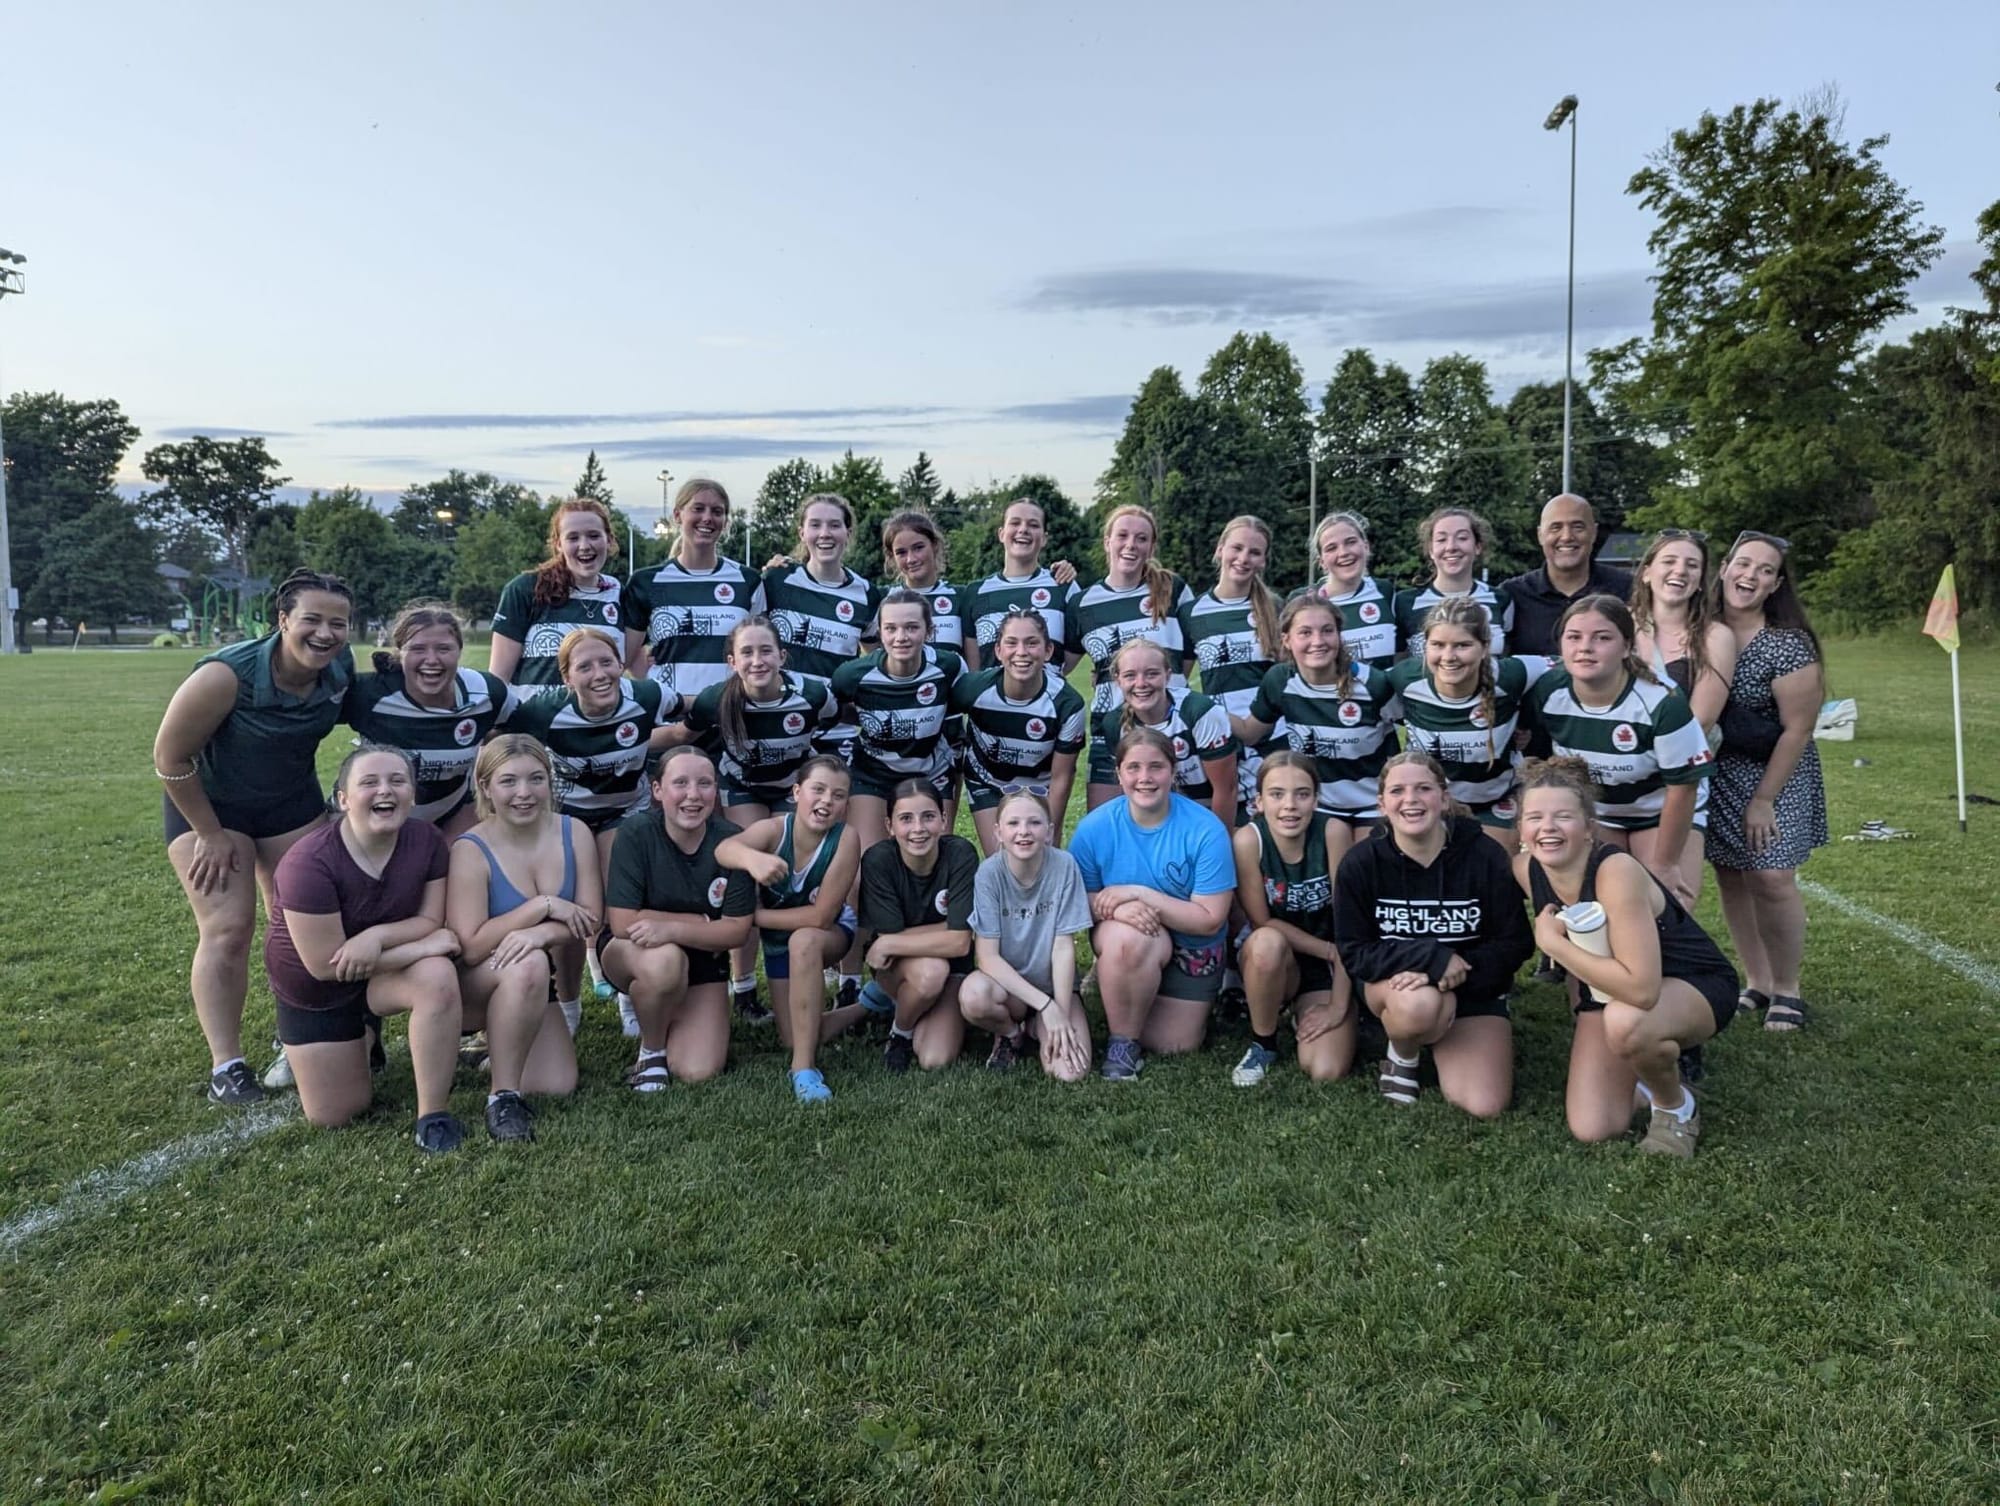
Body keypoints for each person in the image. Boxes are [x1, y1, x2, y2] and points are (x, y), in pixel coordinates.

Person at [153, 567, 357, 1105]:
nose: (325, 633)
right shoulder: (226, 676)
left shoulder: (340, 668)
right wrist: (209, 832)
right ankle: (228, 1065)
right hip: (212, 807)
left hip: (288, 804)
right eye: (311, 619)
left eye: (338, 623)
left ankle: (298, 1035)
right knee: (228, 928)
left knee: (302, 922)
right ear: (282, 619)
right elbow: (169, 758)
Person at [1515, 757, 1738, 1156]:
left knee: (1627, 1021)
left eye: (1563, 816)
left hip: (1690, 984)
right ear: (1521, 829)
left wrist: (1555, 946)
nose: (1547, 828)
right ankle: (1648, 1072)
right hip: (1607, 992)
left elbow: (1642, 990)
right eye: (1534, 817)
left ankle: (1676, 1108)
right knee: (1593, 1126)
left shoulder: (1615, 872)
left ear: (1589, 828)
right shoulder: (1527, 868)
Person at [264, 745, 466, 1151]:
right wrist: (424, 947)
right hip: (317, 988)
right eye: (368, 782)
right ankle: (361, 1034)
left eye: (397, 781)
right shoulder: (308, 861)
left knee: (437, 976)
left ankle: (433, 1115)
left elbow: (428, 921)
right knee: (336, 1113)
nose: (384, 791)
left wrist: (374, 938)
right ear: (343, 799)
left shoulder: (426, 840)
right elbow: (324, 965)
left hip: (377, 972)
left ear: (412, 794)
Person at [1334, 751, 1533, 1117]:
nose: (1410, 800)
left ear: (1444, 797)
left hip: (1473, 985)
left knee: (1483, 1105)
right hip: (1397, 989)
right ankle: (1403, 1054)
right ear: (1382, 803)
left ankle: (1436, 1028)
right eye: (1397, 791)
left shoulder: (1484, 854)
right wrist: (1432, 959)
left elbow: (1517, 943)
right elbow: (1354, 951)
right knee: (1418, 1006)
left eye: (1423, 788)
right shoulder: (1361, 862)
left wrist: (1453, 972)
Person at [507, 629, 681, 1032]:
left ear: (621, 664)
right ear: (567, 678)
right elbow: (496, 733)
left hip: (624, 810)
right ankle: (568, 1007)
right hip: (567, 816)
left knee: (622, 901)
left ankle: (628, 997)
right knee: (570, 909)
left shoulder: (646, 696)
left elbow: (693, 713)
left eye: (606, 662)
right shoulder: (544, 710)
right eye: (584, 666)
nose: (599, 673)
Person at [671, 615, 840, 1017]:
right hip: (742, 786)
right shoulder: (717, 698)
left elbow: (836, 724)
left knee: (797, 875)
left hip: (790, 788)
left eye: (766, 650)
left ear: (782, 656)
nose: (757, 660)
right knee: (747, 877)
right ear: (732, 661)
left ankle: (809, 969)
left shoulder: (813, 694)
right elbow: (681, 736)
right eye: (746, 652)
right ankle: (743, 986)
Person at [1707, 532, 1829, 1031]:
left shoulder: (1787, 644)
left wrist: (1763, 799)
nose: (1750, 576)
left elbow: (1799, 727)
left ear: (1776, 584)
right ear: (1724, 568)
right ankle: (1756, 981)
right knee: (1733, 876)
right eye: (1743, 564)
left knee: (1773, 877)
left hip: (1778, 769)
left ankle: (1787, 988)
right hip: (1720, 769)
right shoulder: (1703, 630)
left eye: (1764, 570)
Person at [444, 736, 591, 1140]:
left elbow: (589, 918)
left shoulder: (573, 832)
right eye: (508, 782)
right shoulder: (470, 849)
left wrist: (542, 931)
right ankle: (502, 1098)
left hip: (528, 981)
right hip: (474, 984)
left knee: (556, 1084)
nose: (524, 793)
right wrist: (540, 907)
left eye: (536, 779)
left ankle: (494, 1044)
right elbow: (471, 946)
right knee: (530, 961)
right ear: (486, 787)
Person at [1521, 596, 1712, 906]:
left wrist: (1664, 865)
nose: (1585, 647)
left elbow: (1683, 787)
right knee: (1599, 908)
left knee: (1665, 908)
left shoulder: (1662, 702)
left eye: (1602, 637)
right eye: (1574, 637)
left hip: (1660, 809)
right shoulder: (1548, 691)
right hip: (1600, 812)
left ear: (1627, 647)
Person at [1069, 728, 1235, 1081]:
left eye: (1156, 767)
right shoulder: (1094, 828)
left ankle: (1122, 982)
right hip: (1135, 937)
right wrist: (1114, 907)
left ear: (1173, 771)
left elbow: (1209, 919)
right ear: (1119, 774)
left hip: (1194, 945)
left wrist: (1139, 894)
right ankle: (1123, 1043)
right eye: (1133, 768)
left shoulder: (1206, 829)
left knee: (1174, 1043)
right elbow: (1071, 900)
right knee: (1130, 939)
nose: (1144, 778)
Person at [600, 750, 757, 1091]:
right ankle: (652, 1050)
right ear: (657, 790)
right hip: (635, 949)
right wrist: (702, 921)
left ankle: (665, 1006)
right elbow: (623, 920)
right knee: (665, 959)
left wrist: (671, 926)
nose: (692, 795)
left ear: (716, 790)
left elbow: (736, 930)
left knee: (697, 1069)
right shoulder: (636, 831)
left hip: (703, 955)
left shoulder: (733, 839)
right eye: (680, 783)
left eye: (704, 784)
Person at [714, 757, 867, 1103]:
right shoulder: (774, 829)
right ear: (797, 792)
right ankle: (869, 1005)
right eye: (818, 789)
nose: (827, 800)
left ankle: (804, 1069)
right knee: (795, 1034)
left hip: (826, 934)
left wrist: (754, 918)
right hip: (779, 939)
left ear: (846, 805)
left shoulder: (846, 838)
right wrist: (751, 858)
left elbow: (821, 917)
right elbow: (723, 849)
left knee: (804, 940)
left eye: (838, 795)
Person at [1232, 595, 1400, 853]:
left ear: (1339, 636)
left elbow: (1414, 727)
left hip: (1372, 804)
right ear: (1287, 640)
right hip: (1316, 806)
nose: (1317, 641)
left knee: (1360, 872)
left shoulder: (1373, 684)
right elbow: (1251, 733)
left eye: (1327, 631)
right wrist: (1199, 707)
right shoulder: (1280, 681)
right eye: (1305, 633)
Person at [1229, 753, 1352, 1088]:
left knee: (1325, 1068)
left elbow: (1349, 924)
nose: (1290, 806)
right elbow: (1262, 922)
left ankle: (1322, 1009)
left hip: (1328, 959)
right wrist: (1328, 950)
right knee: (1267, 944)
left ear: (1316, 798)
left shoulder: (1333, 832)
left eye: (1302, 793)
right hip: (1278, 957)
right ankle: (1263, 1042)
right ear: (1258, 801)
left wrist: (1339, 1006)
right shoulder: (1248, 840)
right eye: (1277, 794)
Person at [343, 600, 515, 837]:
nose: (431, 660)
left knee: (463, 869)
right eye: (418, 649)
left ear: (459, 652)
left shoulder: (488, 693)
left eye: (444, 649)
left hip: (451, 812)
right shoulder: (368, 694)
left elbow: (522, 731)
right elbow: (309, 719)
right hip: (372, 816)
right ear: (400, 653)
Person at [1630, 529, 1737, 903]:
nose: (1680, 571)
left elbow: (1700, 722)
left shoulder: (1715, 637)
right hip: (1616, 782)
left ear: (1700, 580)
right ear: (1647, 571)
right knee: (1609, 904)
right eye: (1670, 561)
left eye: (1692, 565)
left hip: (1679, 782)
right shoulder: (1618, 627)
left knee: (1674, 904)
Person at [1387, 597, 1551, 842]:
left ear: (1485, 647)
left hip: (1497, 799)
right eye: (1438, 645)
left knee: (1495, 869)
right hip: (1431, 805)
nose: (1448, 656)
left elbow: (1568, 669)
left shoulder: (1511, 675)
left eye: (1462, 645)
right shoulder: (1405, 678)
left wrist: (1526, 723)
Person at [959, 791, 1095, 1079]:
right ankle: (1011, 1033)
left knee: (1071, 1073)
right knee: (974, 996)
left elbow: (1063, 948)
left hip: (1053, 988)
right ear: (998, 832)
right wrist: (1044, 1006)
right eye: (1013, 824)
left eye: (1034, 823)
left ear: (1049, 831)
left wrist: (1059, 1009)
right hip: (1008, 989)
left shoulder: (1065, 866)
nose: (1023, 832)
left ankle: (1037, 1027)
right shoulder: (989, 874)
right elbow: (986, 957)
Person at [856, 780, 979, 1073]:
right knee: (930, 971)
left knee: (934, 1059)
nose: (918, 828)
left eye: (928, 816)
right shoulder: (878, 860)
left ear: (943, 819)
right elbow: (892, 938)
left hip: (952, 968)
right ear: (889, 825)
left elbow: (961, 943)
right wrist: (947, 929)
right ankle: (900, 1034)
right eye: (906, 819)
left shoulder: (961, 854)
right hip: (898, 966)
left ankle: (887, 1011)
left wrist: (887, 942)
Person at [952, 606, 1086, 853]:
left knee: (1040, 860)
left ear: (1048, 651)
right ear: (998, 651)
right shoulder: (973, 689)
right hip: (988, 781)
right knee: (1004, 862)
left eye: (1032, 643)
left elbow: (1061, 777)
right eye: (1011, 643)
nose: (1021, 652)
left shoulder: (1067, 704)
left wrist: (1050, 831)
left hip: (1039, 786)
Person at [623, 477, 764, 712]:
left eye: (717, 511)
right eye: (698, 509)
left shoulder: (747, 580)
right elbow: (624, 657)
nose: (707, 518)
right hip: (669, 715)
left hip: (731, 714)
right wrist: (651, 681)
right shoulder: (646, 581)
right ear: (678, 515)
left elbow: (761, 647)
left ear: (725, 521)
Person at [1182, 515, 1284, 816]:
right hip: (1220, 737)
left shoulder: (1276, 607)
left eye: (1254, 552)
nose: (1243, 558)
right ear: (1220, 549)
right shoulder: (1192, 612)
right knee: (1229, 827)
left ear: (1263, 561)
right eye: (1236, 548)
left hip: (1274, 737)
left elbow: (1287, 677)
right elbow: (1179, 681)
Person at [1087, 638, 1238, 824]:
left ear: (1167, 675)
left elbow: (1226, 790)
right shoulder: (1114, 723)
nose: (1141, 683)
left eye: (1151, 674)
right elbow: (1129, 792)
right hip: (1160, 817)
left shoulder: (1200, 713)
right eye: (1130, 676)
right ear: (1118, 680)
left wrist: (1218, 842)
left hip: (1206, 813)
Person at [1070, 504, 1194, 727]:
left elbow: (1185, 660)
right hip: (1112, 728)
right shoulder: (1082, 604)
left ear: (1151, 547)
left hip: (1173, 726)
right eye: (1122, 536)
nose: (1131, 545)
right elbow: (1061, 667)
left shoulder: (1172, 589)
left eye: (1141, 538)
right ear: (1107, 542)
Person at [488, 497, 624, 688]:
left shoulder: (620, 593)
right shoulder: (525, 589)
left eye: (593, 535)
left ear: (609, 540)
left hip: (601, 717)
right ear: (558, 543)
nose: (584, 546)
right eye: (573, 537)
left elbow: (633, 665)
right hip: (534, 717)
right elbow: (498, 678)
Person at [1503, 493, 1634, 658]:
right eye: (1556, 527)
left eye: (1577, 527)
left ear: (1593, 532)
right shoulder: (1512, 595)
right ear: (1540, 535)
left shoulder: (1627, 589)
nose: (1566, 537)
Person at [968, 497, 1083, 670]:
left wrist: (1052, 679)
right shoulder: (975, 592)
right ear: (1001, 533)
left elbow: (1073, 652)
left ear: (1044, 538)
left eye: (1033, 525)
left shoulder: (1063, 586)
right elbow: (974, 670)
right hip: (990, 697)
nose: (1023, 529)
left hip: (1048, 696)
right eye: (1015, 523)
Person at [1392, 506, 1515, 658]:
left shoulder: (1501, 599)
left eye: (1462, 538)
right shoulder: (1404, 603)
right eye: (1441, 539)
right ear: (1431, 550)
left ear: (1477, 546)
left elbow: (1510, 653)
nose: (1451, 547)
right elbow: (1398, 662)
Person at [1295, 511, 1399, 670]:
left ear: (1366, 546)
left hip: (1384, 694)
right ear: (1321, 561)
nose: (1343, 553)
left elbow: (1401, 654)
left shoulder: (1385, 591)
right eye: (1331, 548)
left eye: (1350, 542)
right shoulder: (1303, 600)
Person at [882, 508, 977, 665]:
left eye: (918, 548)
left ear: (934, 545)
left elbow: (973, 669)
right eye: (901, 552)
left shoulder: (961, 596)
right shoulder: (884, 598)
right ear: (892, 557)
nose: (911, 559)